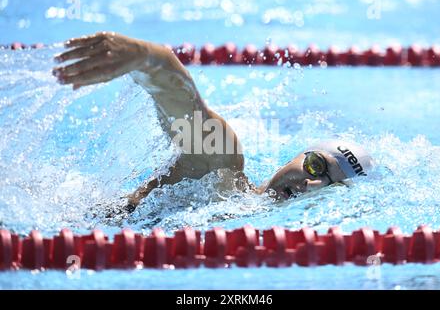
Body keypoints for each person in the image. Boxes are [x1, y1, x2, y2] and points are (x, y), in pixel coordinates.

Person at [53, 32, 374, 211]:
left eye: (333, 185)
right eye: (317, 167)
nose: (312, 183)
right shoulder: (221, 171)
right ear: (300, 155)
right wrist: (148, 57)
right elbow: (185, 108)